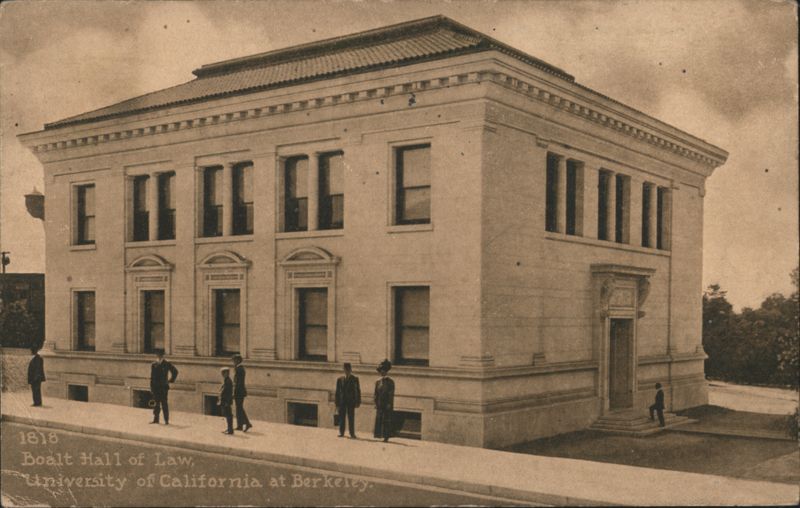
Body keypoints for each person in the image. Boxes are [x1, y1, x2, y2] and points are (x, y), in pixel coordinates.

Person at [149, 350, 178, 425]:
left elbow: (175, 371)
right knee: (156, 403)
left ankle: (166, 420)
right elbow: (152, 377)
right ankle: (156, 419)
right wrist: (151, 387)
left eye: (160, 354)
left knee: (164, 403)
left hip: (163, 387)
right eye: (157, 354)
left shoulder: (166, 363)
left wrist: (170, 380)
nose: (158, 355)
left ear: (162, 355)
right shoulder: (154, 364)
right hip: (156, 387)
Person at [335, 362, 361, 438]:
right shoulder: (340, 379)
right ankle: (341, 432)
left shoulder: (355, 379)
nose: (346, 371)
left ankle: (352, 433)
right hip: (342, 402)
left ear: (350, 369)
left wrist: (358, 401)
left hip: (351, 402)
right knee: (341, 417)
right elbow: (337, 392)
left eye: (348, 369)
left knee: (351, 417)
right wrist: (337, 403)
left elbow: (358, 391)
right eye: (345, 369)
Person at [373, 359, 395, 442]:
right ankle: (379, 435)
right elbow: (375, 393)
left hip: (386, 403)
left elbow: (391, 393)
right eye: (381, 371)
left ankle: (386, 436)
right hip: (379, 403)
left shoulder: (390, 382)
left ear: (386, 372)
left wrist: (389, 403)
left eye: (383, 371)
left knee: (386, 419)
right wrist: (375, 402)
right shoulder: (378, 382)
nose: (382, 372)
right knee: (379, 418)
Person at [232, 355, 252, 432]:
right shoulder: (240, 368)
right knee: (239, 408)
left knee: (239, 408)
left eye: (234, 360)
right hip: (240, 391)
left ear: (237, 361)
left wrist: (234, 393)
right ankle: (240, 425)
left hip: (239, 391)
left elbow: (238, 383)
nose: (233, 362)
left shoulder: (239, 369)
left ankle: (247, 423)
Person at [218, 367, 234, 435]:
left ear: (227, 373)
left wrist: (227, 402)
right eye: (222, 373)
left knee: (228, 415)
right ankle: (229, 429)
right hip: (225, 401)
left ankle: (230, 430)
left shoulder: (228, 381)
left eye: (223, 373)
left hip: (226, 401)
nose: (222, 374)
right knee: (227, 415)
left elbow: (228, 393)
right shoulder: (226, 380)